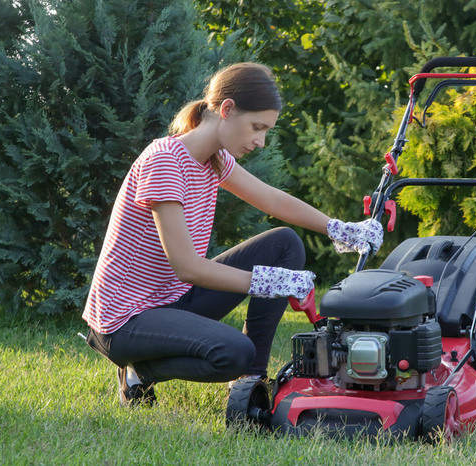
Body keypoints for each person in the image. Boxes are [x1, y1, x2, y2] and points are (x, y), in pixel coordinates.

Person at [82, 62, 383, 407]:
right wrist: (270, 283)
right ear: (226, 110)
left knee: (284, 244)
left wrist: (339, 228)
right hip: (125, 320)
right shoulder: (164, 161)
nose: (261, 141)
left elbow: (271, 198)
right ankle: (139, 373)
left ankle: (251, 381)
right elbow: (188, 268)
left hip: (174, 299)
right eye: (257, 127)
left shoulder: (215, 159)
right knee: (234, 352)